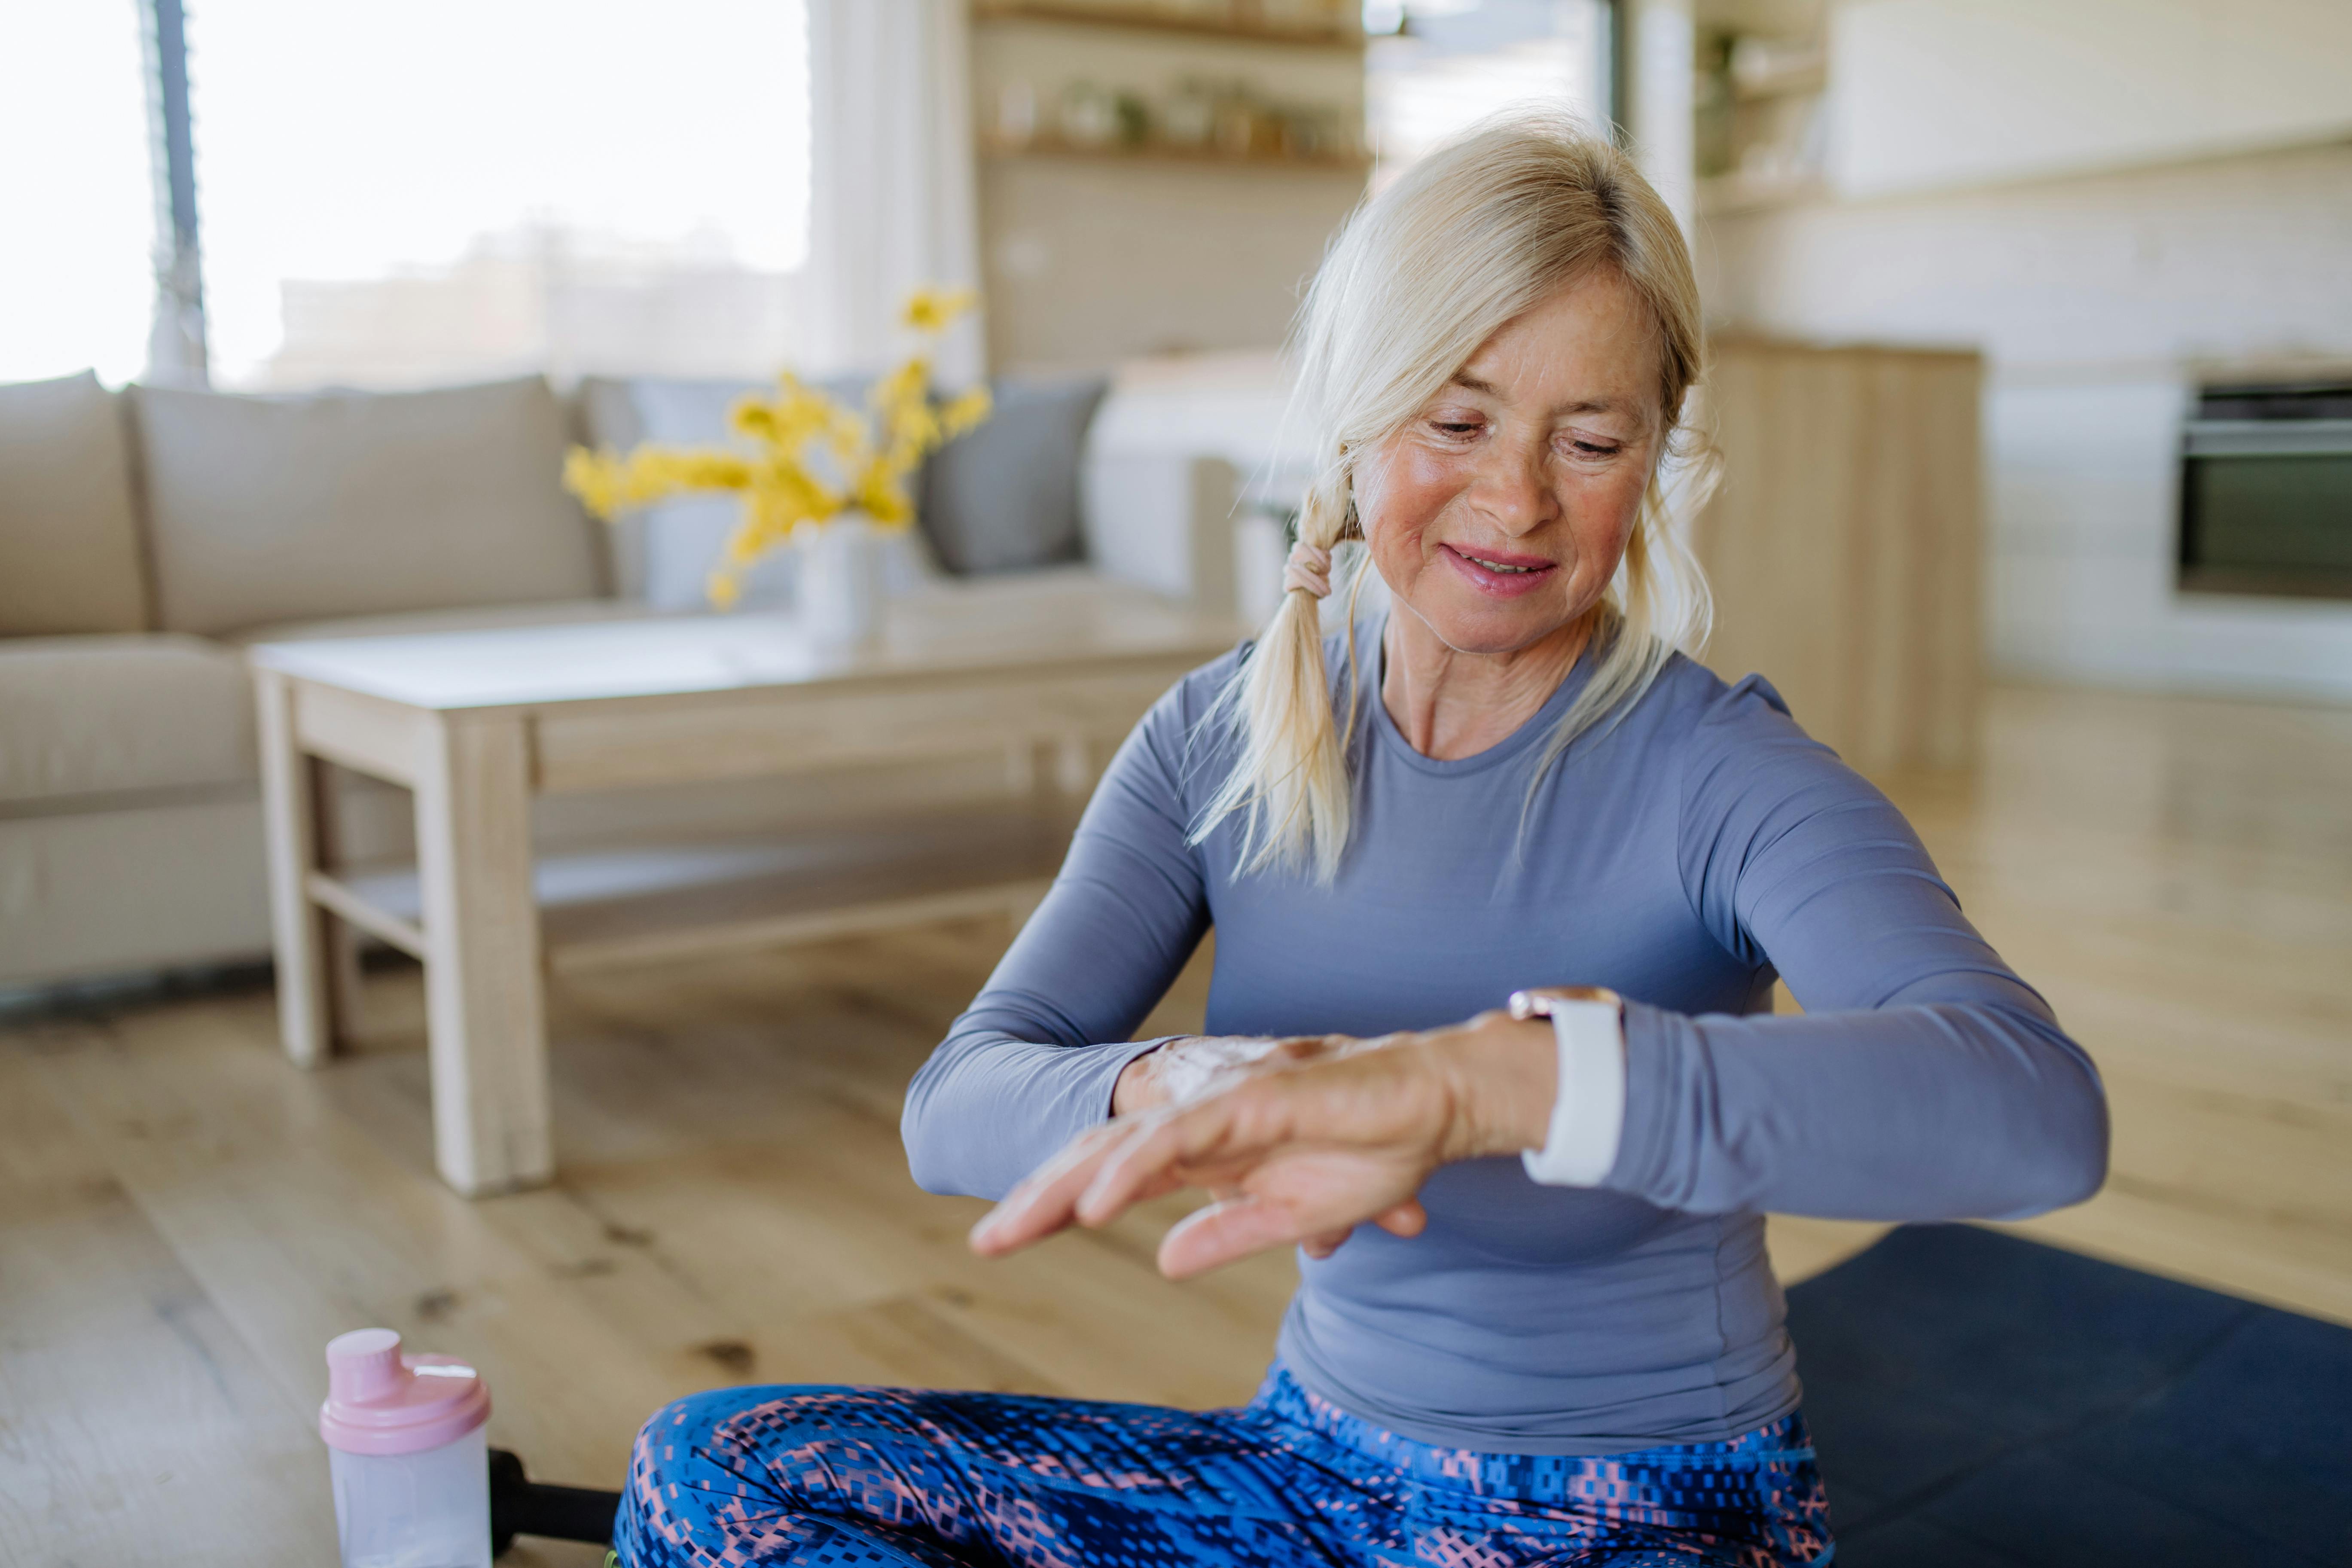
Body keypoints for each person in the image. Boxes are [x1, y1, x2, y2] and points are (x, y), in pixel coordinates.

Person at [616, 112, 2107, 1568]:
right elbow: (957, 1101)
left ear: (1653, 461)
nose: (1515, 500)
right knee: (719, 1476)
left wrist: (1483, 1084)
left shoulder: (1721, 770)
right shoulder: (1219, 734)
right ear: (1351, 410)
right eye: (1454, 421)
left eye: (1588, 441)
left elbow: (2034, 1109)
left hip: (1647, 1503)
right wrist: (1183, 1079)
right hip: (1308, 1470)